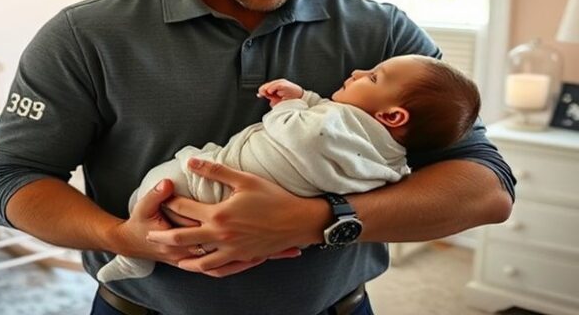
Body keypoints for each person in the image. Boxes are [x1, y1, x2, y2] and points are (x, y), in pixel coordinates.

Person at [0, 0, 515, 315]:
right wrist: (124, 238)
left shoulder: (385, 37)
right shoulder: (87, 34)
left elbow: (487, 190)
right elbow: (12, 180)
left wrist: (317, 220)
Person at [97, 54, 480, 283]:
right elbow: (327, 123)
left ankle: (137, 255)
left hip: (205, 185)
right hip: (265, 232)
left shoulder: (332, 126)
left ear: (392, 114)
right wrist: (307, 98)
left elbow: (301, 134)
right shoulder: (390, 160)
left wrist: (289, 105)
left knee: (153, 187)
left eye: (373, 77)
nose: (359, 72)